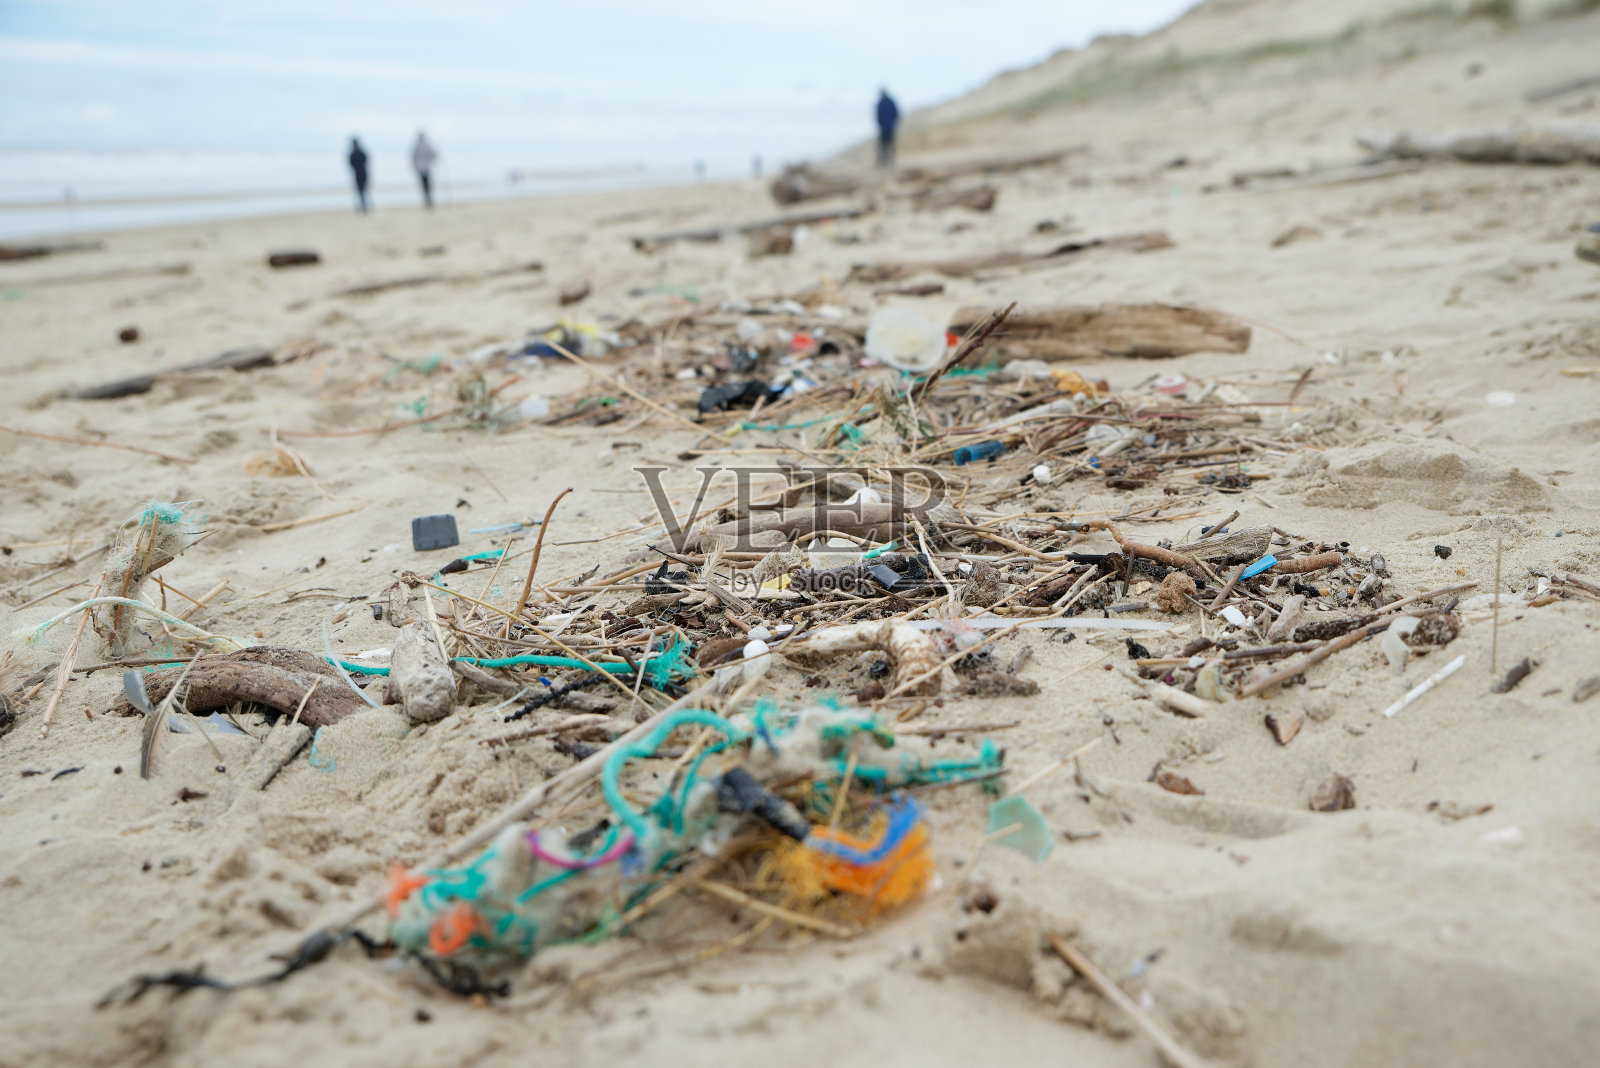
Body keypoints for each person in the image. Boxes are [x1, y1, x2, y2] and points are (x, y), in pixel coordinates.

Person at [875, 88, 900, 169]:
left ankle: (886, 161)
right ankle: (887, 161)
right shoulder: (889, 102)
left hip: (885, 128)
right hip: (889, 127)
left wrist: (881, 124)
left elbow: (878, 116)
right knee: (888, 145)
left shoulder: (882, 103)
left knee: (885, 146)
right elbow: (896, 113)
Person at [412, 131, 438, 210]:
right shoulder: (421, 146)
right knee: (426, 185)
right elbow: (433, 155)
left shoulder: (419, 146)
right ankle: (427, 199)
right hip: (424, 168)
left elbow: (414, 157)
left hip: (424, 168)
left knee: (425, 185)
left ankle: (428, 199)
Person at [347, 137, 370, 213]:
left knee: (360, 191)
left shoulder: (353, 154)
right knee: (363, 191)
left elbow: (351, 164)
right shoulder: (361, 153)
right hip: (363, 173)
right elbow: (366, 161)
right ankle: (364, 207)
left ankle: (363, 207)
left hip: (358, 174)